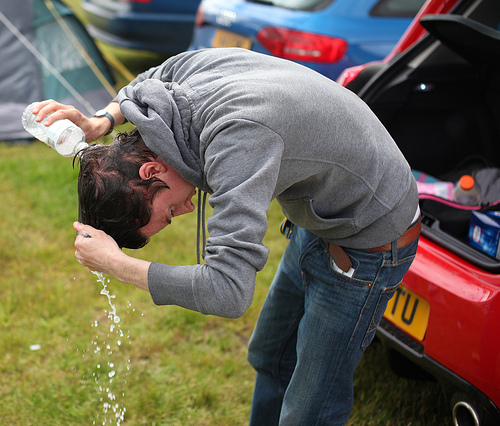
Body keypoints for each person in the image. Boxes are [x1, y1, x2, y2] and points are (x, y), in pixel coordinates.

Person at [32, 48, 420, 425]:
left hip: (369, 233)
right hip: (324, 213)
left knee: (309, 410)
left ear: (152, 171)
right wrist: (102, 121)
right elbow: (148, 82)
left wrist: (118, 264)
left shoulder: (237, 142)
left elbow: (229, 292)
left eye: (169, 213)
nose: (186, 210)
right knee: (271, 357)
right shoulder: (177, 100)